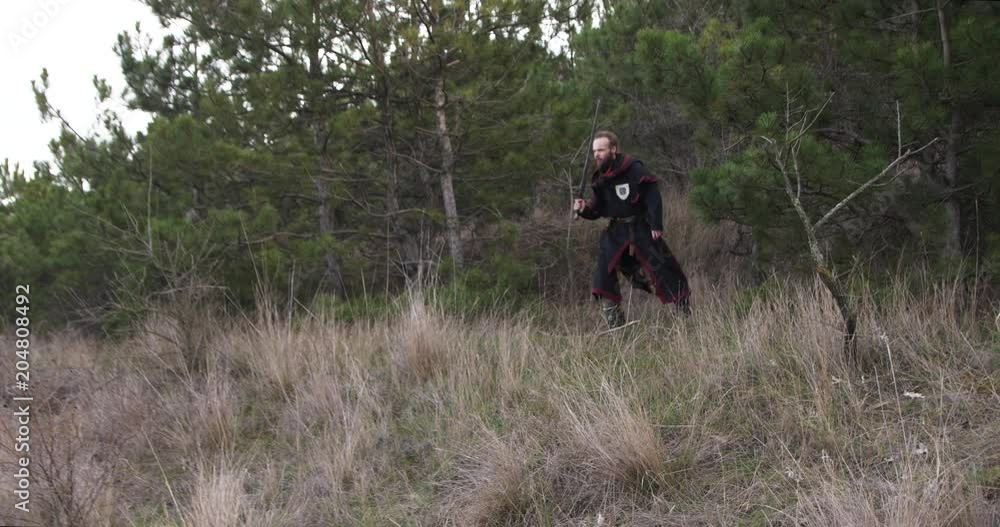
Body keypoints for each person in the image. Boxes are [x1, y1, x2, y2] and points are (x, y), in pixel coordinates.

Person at [572, 131, 691, 329]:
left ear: (613, 149)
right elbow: (597, 209)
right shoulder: (601, 177)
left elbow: (652, 194)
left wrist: (656, 223)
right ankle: (616, 326)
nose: (597, 155)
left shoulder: (633, 168)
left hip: (641, 229)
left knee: (664, 269)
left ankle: (684, 316)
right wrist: (584, 209)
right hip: (616, 233)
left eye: (601, 150)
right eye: (594, 151)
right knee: (603, 275)